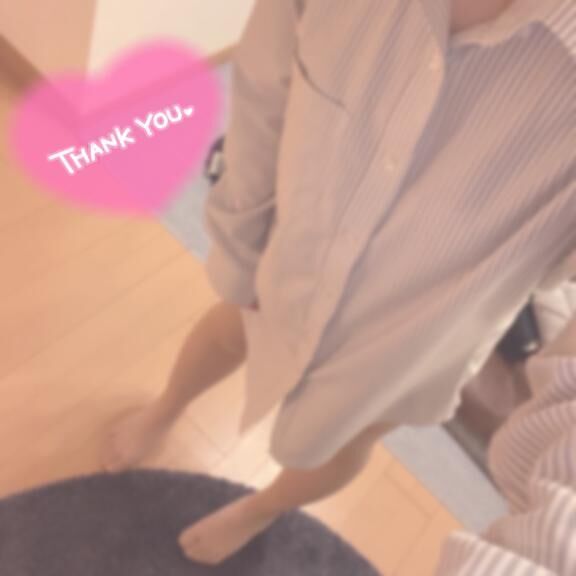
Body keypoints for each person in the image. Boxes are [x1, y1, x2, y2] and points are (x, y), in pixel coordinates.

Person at [104, 0, 576, 566]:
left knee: (346, 435)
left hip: (423, 337)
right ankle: (166, 407)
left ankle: (261, 510)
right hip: (292, 253)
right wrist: (239, 242)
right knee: (230, 327)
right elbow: (261, 91)